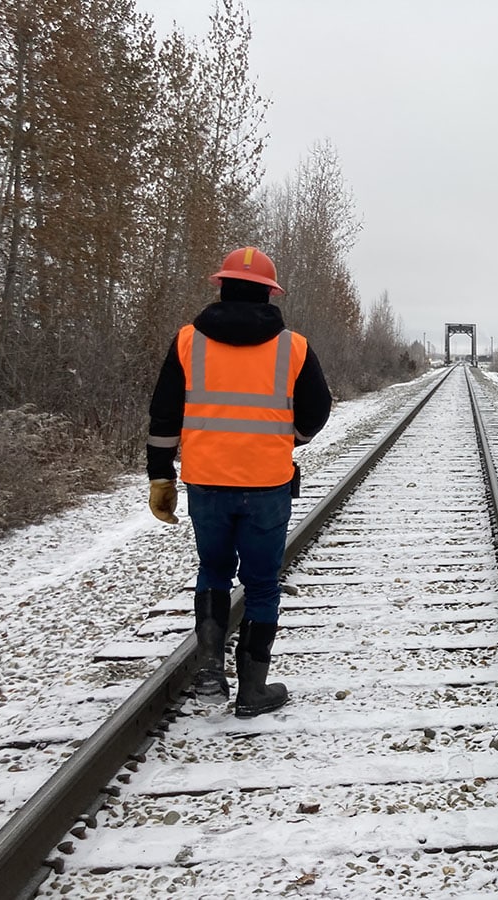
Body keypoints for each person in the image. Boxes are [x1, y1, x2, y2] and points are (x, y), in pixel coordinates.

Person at [146, 247, 331, 718]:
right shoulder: (294, 346)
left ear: (222, 286)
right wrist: (290, 438)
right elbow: (318, 409)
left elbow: (165, 413)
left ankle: (210, 669)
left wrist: (160, 475)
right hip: (267, 483)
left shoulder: (188, 341)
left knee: (213, 572)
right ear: (270, 293)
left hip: (206, 482)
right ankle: (253, 691)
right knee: (263, 585)